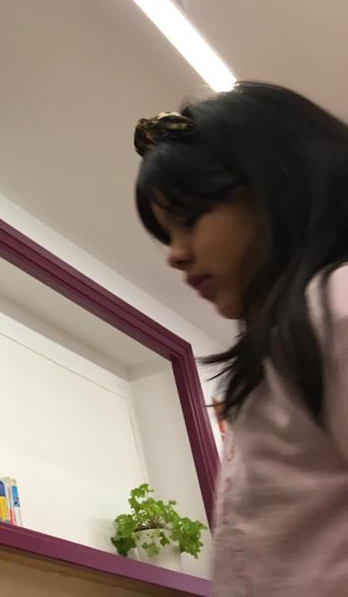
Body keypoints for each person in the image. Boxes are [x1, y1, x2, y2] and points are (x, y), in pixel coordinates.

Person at [133, 82, 348, 596]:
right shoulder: (275, 351)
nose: (174, 254)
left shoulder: (335, 305)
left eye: (189, 221)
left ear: (279, 187)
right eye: (167, 234)